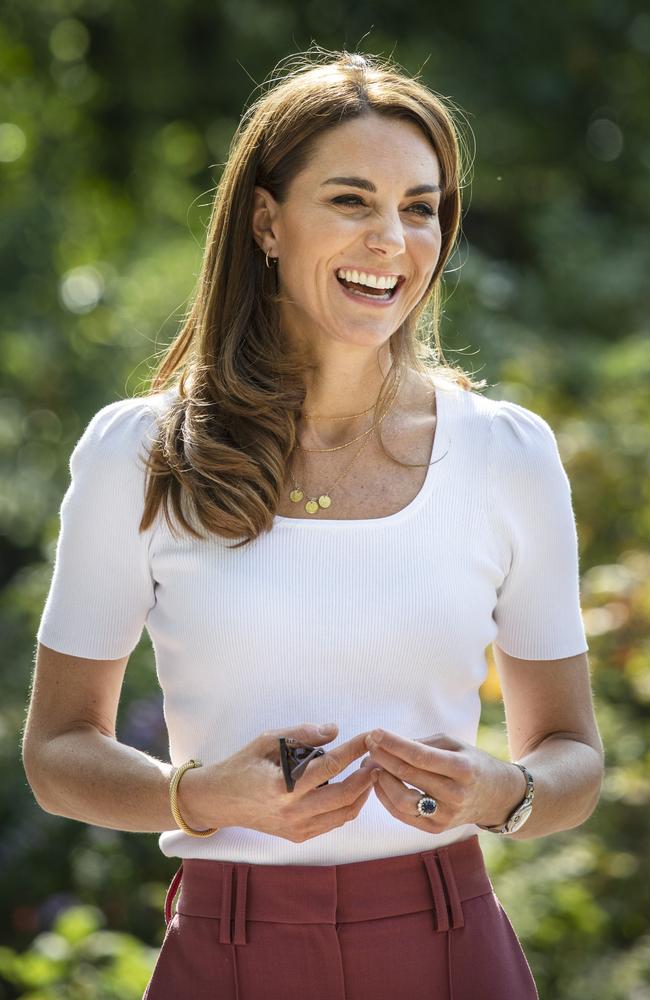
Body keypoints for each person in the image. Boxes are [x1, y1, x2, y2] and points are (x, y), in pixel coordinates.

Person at [23, 48, 604, 1000]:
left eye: (420, 208)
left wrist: (506, 793)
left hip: (452, 942)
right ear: (265, 219)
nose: (392, 239)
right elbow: (56, 753)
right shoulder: (140, 453)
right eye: (351, 200)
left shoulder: (509, 455)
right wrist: (197, 797)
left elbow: (573, 757)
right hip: (228, 947)